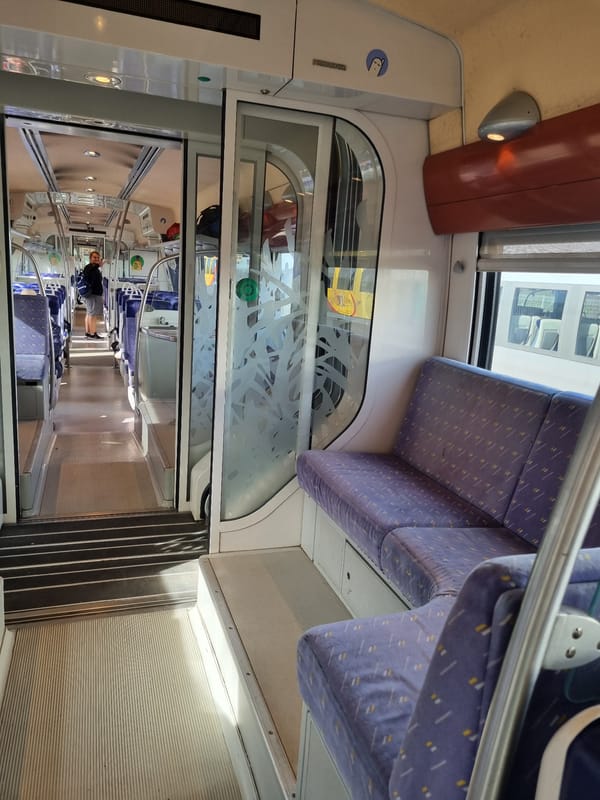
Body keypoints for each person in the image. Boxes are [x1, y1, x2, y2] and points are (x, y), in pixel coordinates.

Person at [82, 250, 104, 339]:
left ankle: (88, 332)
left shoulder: (94, 268)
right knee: (93, 314)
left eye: (98, 258)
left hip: (93, 293)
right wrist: (99, 265)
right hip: (93, 294)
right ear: (90, 258)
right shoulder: (89, 267)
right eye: (94, 257)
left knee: (89, 313)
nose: (96, 259)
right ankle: (92, 333)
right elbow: (90, 275)